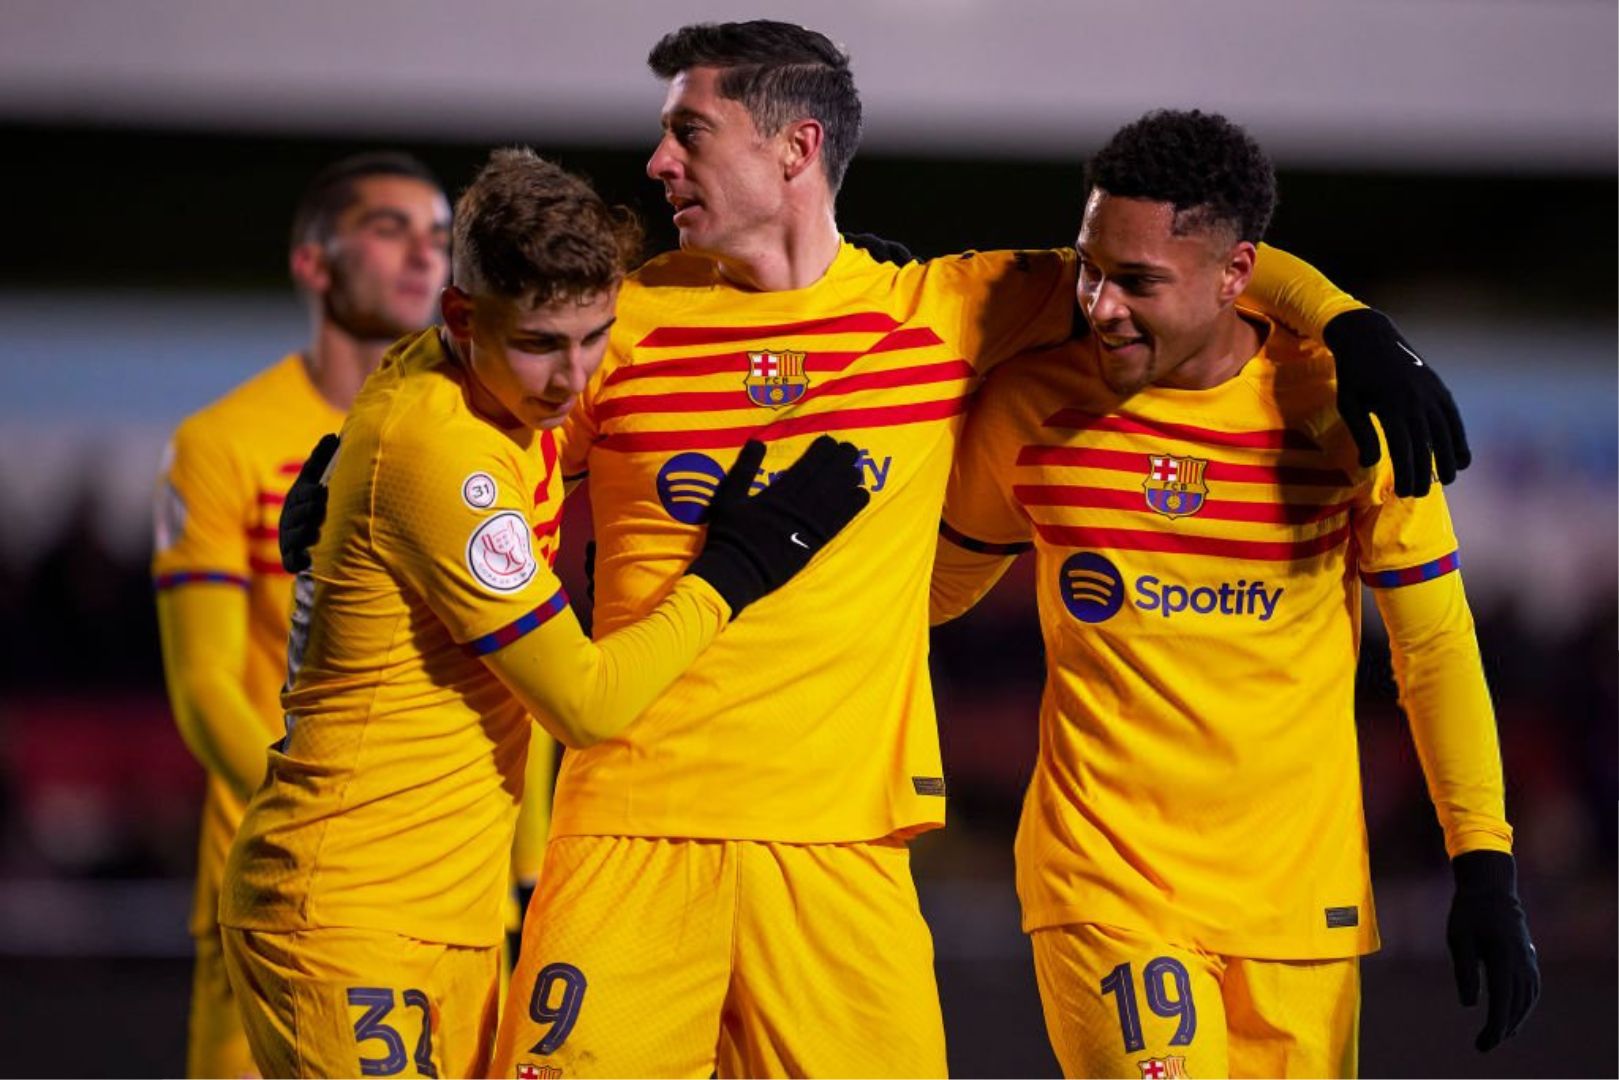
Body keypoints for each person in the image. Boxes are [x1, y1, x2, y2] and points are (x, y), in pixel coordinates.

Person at [472, 21, 1476, 1079]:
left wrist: (1353, 325)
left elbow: (1182, 259)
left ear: (794, 149)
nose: (657, 162)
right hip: (629, 833)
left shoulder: (940, 313)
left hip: (842, 853)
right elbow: (475, 436)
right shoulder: (611, 327)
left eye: (688, 131)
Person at [218, 147, 870, 1079]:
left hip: (449, 912)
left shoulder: (486, 381)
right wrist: (742, 563)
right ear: (461, 318)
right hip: (346, 911)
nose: (571, 380)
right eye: (539, 345)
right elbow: (586, 704)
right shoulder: (445, 454)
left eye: (593, 337)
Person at [931, 109, 1539, 1078]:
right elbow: (929, 593)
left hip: (1299, 909)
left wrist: (1483, 863)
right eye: (1090, 270)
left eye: (1136, 282)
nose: (1097, 304)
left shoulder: (1345, 415)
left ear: (1234, 273)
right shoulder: (1031, 407)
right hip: (1107, 887)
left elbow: (1432, 652)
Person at [152, 151, 456, 1078]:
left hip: (449, 888)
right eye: (388, 228)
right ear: (312, 264)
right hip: (279, 885)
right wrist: (325, 814)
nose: (422, 257)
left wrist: (527, 870)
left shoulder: (480, 436)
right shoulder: (220, 443)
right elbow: (205, 687)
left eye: (441, 237)